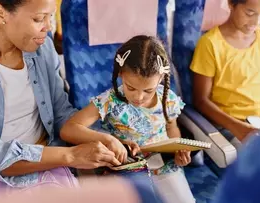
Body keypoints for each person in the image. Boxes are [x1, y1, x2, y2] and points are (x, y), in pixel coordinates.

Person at [0, 0, 124, 201]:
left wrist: (102, 139)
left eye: (51, 16)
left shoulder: (43, 48)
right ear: (0, 13)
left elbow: (61, 115)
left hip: (45, 166)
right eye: (39, 18)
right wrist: (70, 155)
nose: (48, 27)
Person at [61, 35, 195, 203]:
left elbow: (171, 128)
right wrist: (108, 139)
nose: (139, 97)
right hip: (127, 167)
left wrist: (178, 150)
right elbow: (69, 129)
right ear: (121, 74)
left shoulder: (167, 98)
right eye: (131, 87)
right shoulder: (110, 101)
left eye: (148, 90)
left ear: (160, 79)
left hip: (164, 165)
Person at [190, 0, 260, 148]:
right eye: (250, 13)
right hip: (233, 123)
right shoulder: (210, 44)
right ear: (231, 4)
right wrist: (237, 127)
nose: (257, 21)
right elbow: (201, 101)